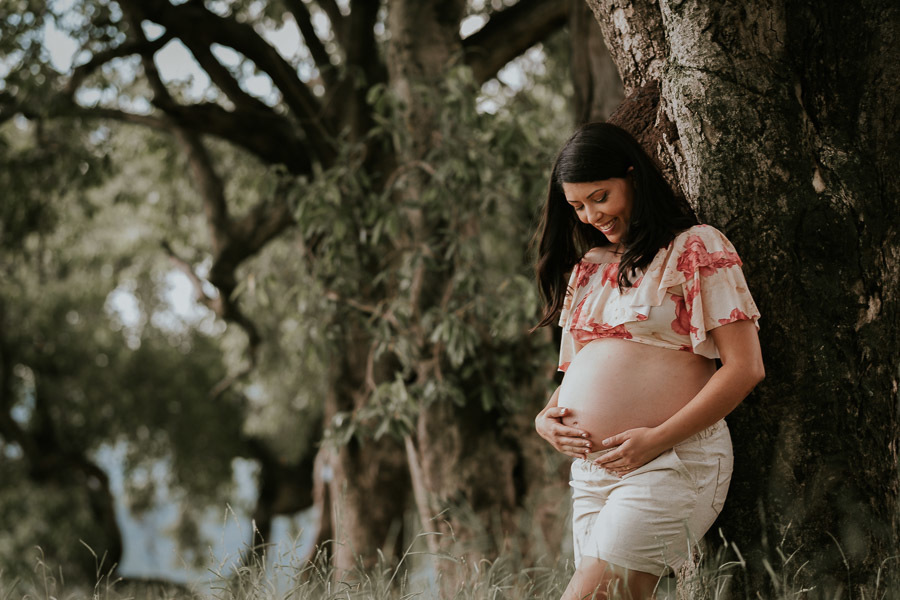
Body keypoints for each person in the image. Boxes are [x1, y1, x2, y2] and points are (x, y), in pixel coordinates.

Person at [533, 122, 764, 600]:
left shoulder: (696, 247)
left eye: (601, 197)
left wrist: (655, 439)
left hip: (672, 459)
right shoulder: (590, 266)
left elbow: (745, 368)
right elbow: (580, 371)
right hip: (592, 473)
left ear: (632, 176)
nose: (591, 215)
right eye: (577, 206)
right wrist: (544, 419)